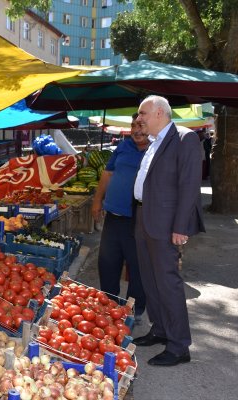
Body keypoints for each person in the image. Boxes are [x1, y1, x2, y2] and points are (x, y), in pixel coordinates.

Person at [132, 95, 205, 367]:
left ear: (160, 113)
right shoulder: (153, 142)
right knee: (150, 280)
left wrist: (180, 226)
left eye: (143, 114)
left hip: (165, 223)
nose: (139, 119)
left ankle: (178, 346)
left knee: (168, 283)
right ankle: (160, 329)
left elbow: (189, 186)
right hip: (144, 217)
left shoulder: (185, 138)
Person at [91, 113, 148, 321]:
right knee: (107, 264)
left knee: (138, 267)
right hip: (113, 217)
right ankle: (109, 306)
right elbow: (107, 174)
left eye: (141, 125)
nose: (136, 130)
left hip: (138, 220)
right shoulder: (123, 146)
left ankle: (134, 310)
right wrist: (97, 201)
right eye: (133, 125)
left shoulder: (156, 151)